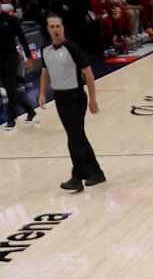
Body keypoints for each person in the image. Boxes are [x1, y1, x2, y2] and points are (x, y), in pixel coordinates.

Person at [38, 15, 104, 192]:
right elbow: (45, 72)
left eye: (58, 26)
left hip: (75, 97)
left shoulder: (72, 48)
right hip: (59, 98)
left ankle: (77, 177)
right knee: (77, 137)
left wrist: (93, 99)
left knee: (74, 138)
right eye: (52, 26)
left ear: (63, 27)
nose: (55, 29)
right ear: (48, 29)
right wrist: (42, 93)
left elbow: (88, 74)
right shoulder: (45, 49)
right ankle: (96, 173)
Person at [0, 0, 37, 129]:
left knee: (10, 87)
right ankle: (30, 110)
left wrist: (29, 57)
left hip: (11, 57)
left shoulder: (11, 19)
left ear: (0, 3)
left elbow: (22, 38)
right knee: (10, 88)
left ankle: (11, 119)